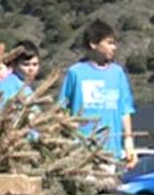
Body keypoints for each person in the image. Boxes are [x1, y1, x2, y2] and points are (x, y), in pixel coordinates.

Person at [58, 20, 137, 169]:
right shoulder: (75, 72)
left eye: (115, 43)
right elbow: (61, 110)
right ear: (94, 44)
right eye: (109, 43)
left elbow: (124, 110)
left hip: (111, 152)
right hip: (82, 151)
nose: (114, 47)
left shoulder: (117, 73)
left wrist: (128, 142)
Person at [0, 41, 39, 105]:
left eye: (35, 64)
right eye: (26, 65)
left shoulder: (26, 86)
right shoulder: (6, 86)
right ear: (14, 64)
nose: (31, 69)